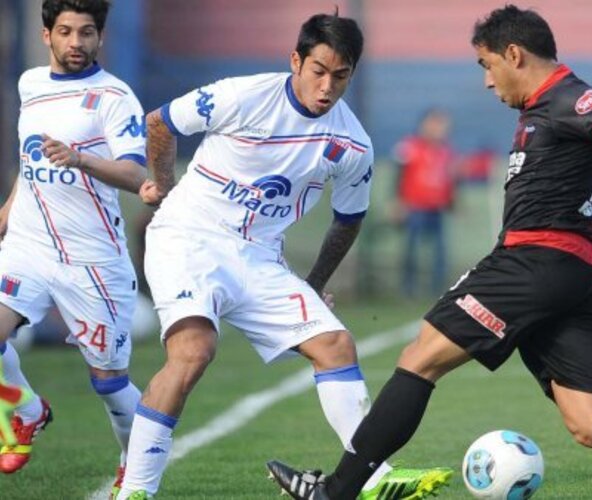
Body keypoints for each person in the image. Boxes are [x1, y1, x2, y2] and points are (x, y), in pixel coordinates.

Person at [266, 5, 592, 500]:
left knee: (421, 355)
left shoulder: (570, 97)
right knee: (588, 420)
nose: (486, 82)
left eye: (487, 65)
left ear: (514, 54)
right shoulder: (544, 107)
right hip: (578, 272)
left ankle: (336, 491)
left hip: (532, 262)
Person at [115, 11, 451, 500]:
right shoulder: (243, 96)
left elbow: (349, 218)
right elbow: (160, 122)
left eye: (341, 76)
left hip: (259, 259)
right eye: (318, 70)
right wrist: (163, 188)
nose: (327, 86)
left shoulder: (352, 143)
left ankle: (375, 480)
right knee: (193, 351)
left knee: (335, 344)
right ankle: (135, 494)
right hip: (189, 237)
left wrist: (313, 282)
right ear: (295, 60)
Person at [0, 0, 146, 495]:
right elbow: (30, 153)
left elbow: (134, 173)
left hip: (93, 260)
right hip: (29, 243)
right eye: (66, 31)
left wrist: (81, 159)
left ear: (100, 37)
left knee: (108, 382)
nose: (76, 43)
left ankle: (135, 463)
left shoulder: (114, 97)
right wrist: (9, 205)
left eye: (87, 32)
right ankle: (28, 410)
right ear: (47, 35)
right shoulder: (29, 84)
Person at [393, 108, 456, 296]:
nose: (440, 129)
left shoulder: (446, 151)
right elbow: (399, 175)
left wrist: (453, 201)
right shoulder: (409, 146)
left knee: (440, 251)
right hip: (414, 207)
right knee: (411, 250)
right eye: (436, 124)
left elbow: (449, 179)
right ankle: (408, 289)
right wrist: (397, 202)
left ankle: (436, 290)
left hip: (437, 208)